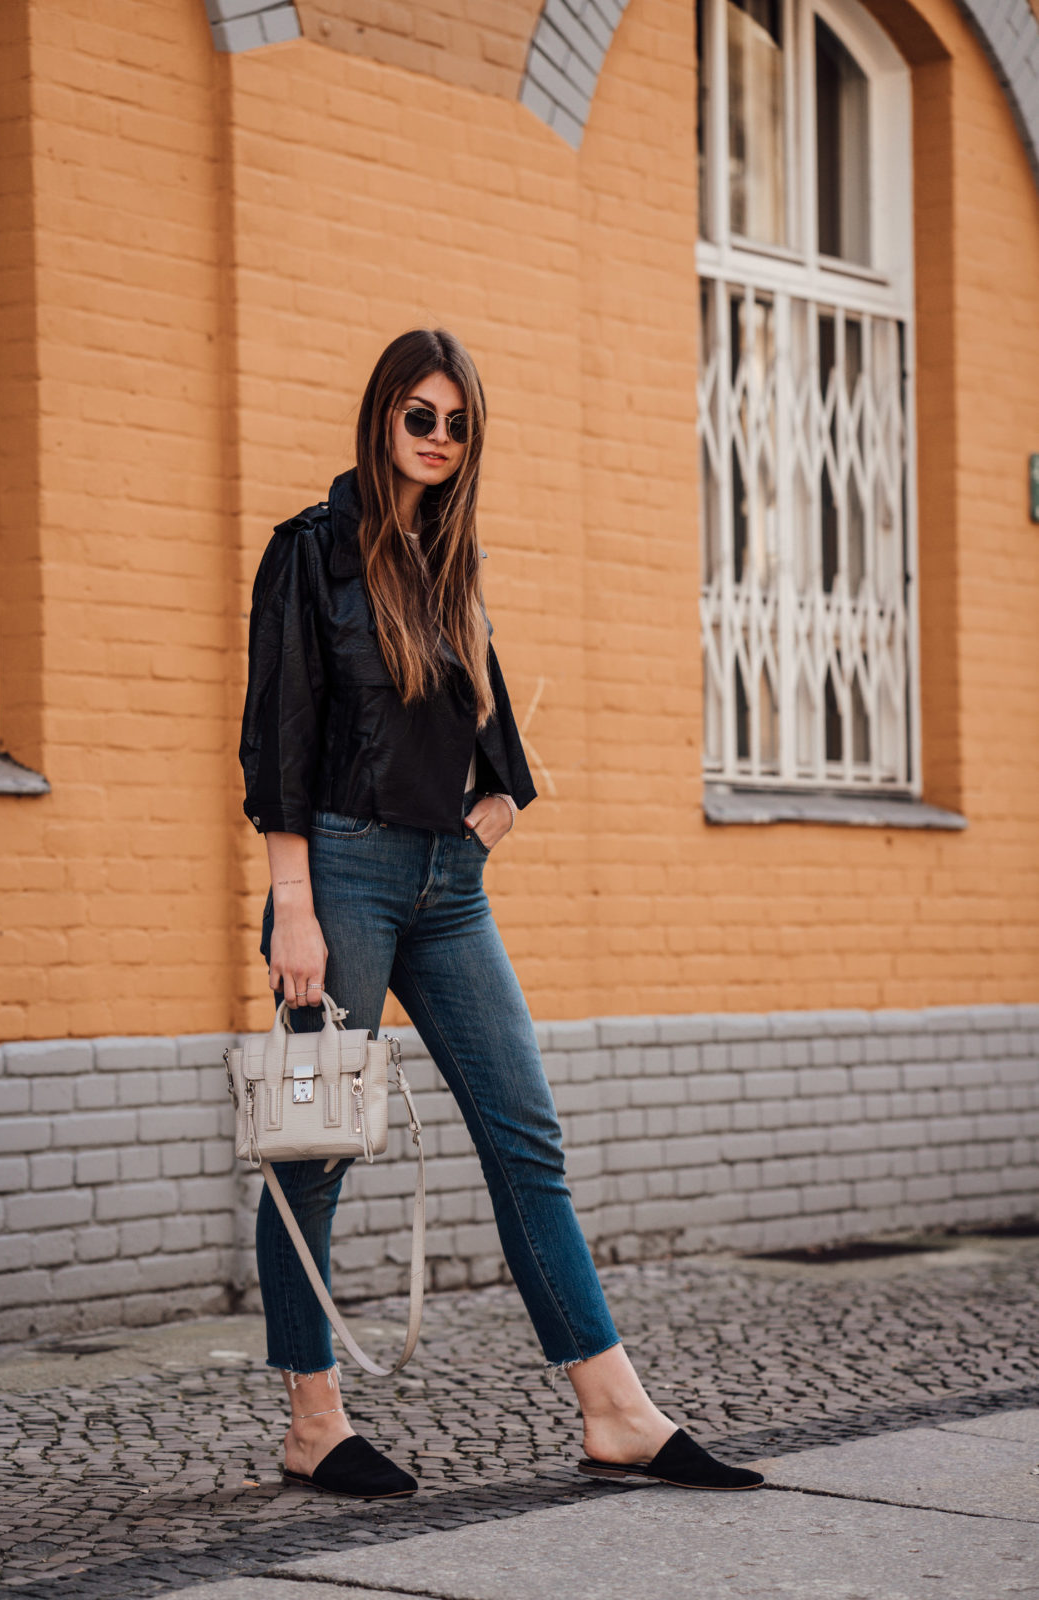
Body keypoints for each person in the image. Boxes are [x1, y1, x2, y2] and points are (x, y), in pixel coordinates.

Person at [239, 327, 764, 1500]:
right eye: (418, 415)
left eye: (455, 423)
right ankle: (313, 1422)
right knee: (313, 1145)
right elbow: (276, 734)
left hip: (446, 887)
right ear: (381, 417)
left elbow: (489, 732)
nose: (435, 438)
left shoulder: (448, 565)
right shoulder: (311, 553)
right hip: (343, 871)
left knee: (526, 1133)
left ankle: (614, 1411)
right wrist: (294, 905)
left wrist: (498, 805)